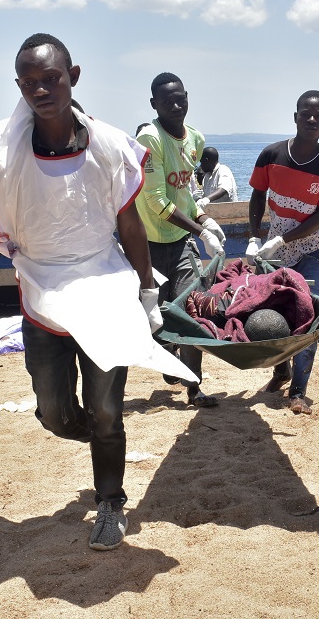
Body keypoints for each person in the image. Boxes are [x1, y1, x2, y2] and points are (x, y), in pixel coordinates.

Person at [0, 33, 195, 551]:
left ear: (74, 78)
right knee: (52, 412)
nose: (40, 90)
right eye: (29, 82)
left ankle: (110, 502)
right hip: (40, 290)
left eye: (51, 79)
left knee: (108, 410)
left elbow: (129, 223)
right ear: (18, 86)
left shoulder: (109, 145)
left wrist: (148, 290)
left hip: (103, 289)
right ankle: (100, 440)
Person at [247, 90, 319, 415]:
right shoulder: (272, 155)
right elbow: (257, 196)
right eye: (306, 114)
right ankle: (280, 370)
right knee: (273, 315)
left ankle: (298, 391)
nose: (312, 119)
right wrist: (254, 236)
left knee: (307, 320)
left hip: (313, 251)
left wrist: (285, 238)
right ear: (296, 117)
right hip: (275, 252)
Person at [135, 73, 225, 408]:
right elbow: (156, 202)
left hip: (182, 240)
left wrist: (204, 220)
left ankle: (194, 387)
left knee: (191, 310)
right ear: (153, 104)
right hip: (149, 245)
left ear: (187, 97)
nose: (175, 105)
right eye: (167, 100)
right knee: (156, 318)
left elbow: (185, 194)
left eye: (180, 98)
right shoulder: (150, 139)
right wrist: (201, 230)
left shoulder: (196, 139)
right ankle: (168, 354)